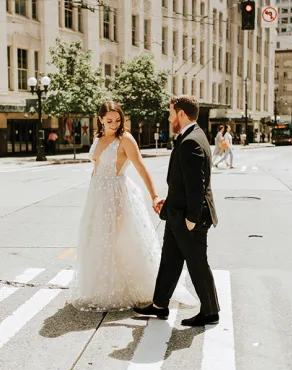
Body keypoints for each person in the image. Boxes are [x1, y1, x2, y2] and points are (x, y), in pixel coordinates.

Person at [70, 101, 196, 312]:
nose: (114, 124)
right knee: (97, 238)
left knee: (117, 239)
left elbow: (140, 166)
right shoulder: (98, 137)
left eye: (118, 120)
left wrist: (154, 195)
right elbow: (96, 166)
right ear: (100, 119)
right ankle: (99, 287)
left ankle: (132, 288)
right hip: (97, 195)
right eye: (109, 121)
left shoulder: (125, 140)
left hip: (116, 194)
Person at [134, 95, 220, 326]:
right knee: (170, 260)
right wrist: (169, 202)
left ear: (181, 114)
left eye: (171, 112)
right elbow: (183, 182)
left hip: (189, 218)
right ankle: (160, 305)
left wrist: (192, 218)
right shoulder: (193, 136)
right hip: (177, 213)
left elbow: (196, 185)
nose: (169, 116)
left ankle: (211, 312)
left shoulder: (191, 141)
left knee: (197, 263)